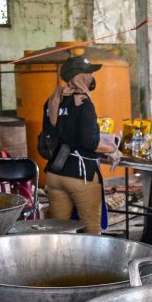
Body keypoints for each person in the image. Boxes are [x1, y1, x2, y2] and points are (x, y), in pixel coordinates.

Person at [42, 55, 119, 233]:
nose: (92, 77)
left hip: (55, 174)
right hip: (80, 176)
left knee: (60, 232)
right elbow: (90, 142)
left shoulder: (51, 101)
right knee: (92, 231)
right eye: (90, 73)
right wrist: (113, 148)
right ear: (80, 77)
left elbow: (48, 135)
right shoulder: (84, 103)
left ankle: (63, 261)